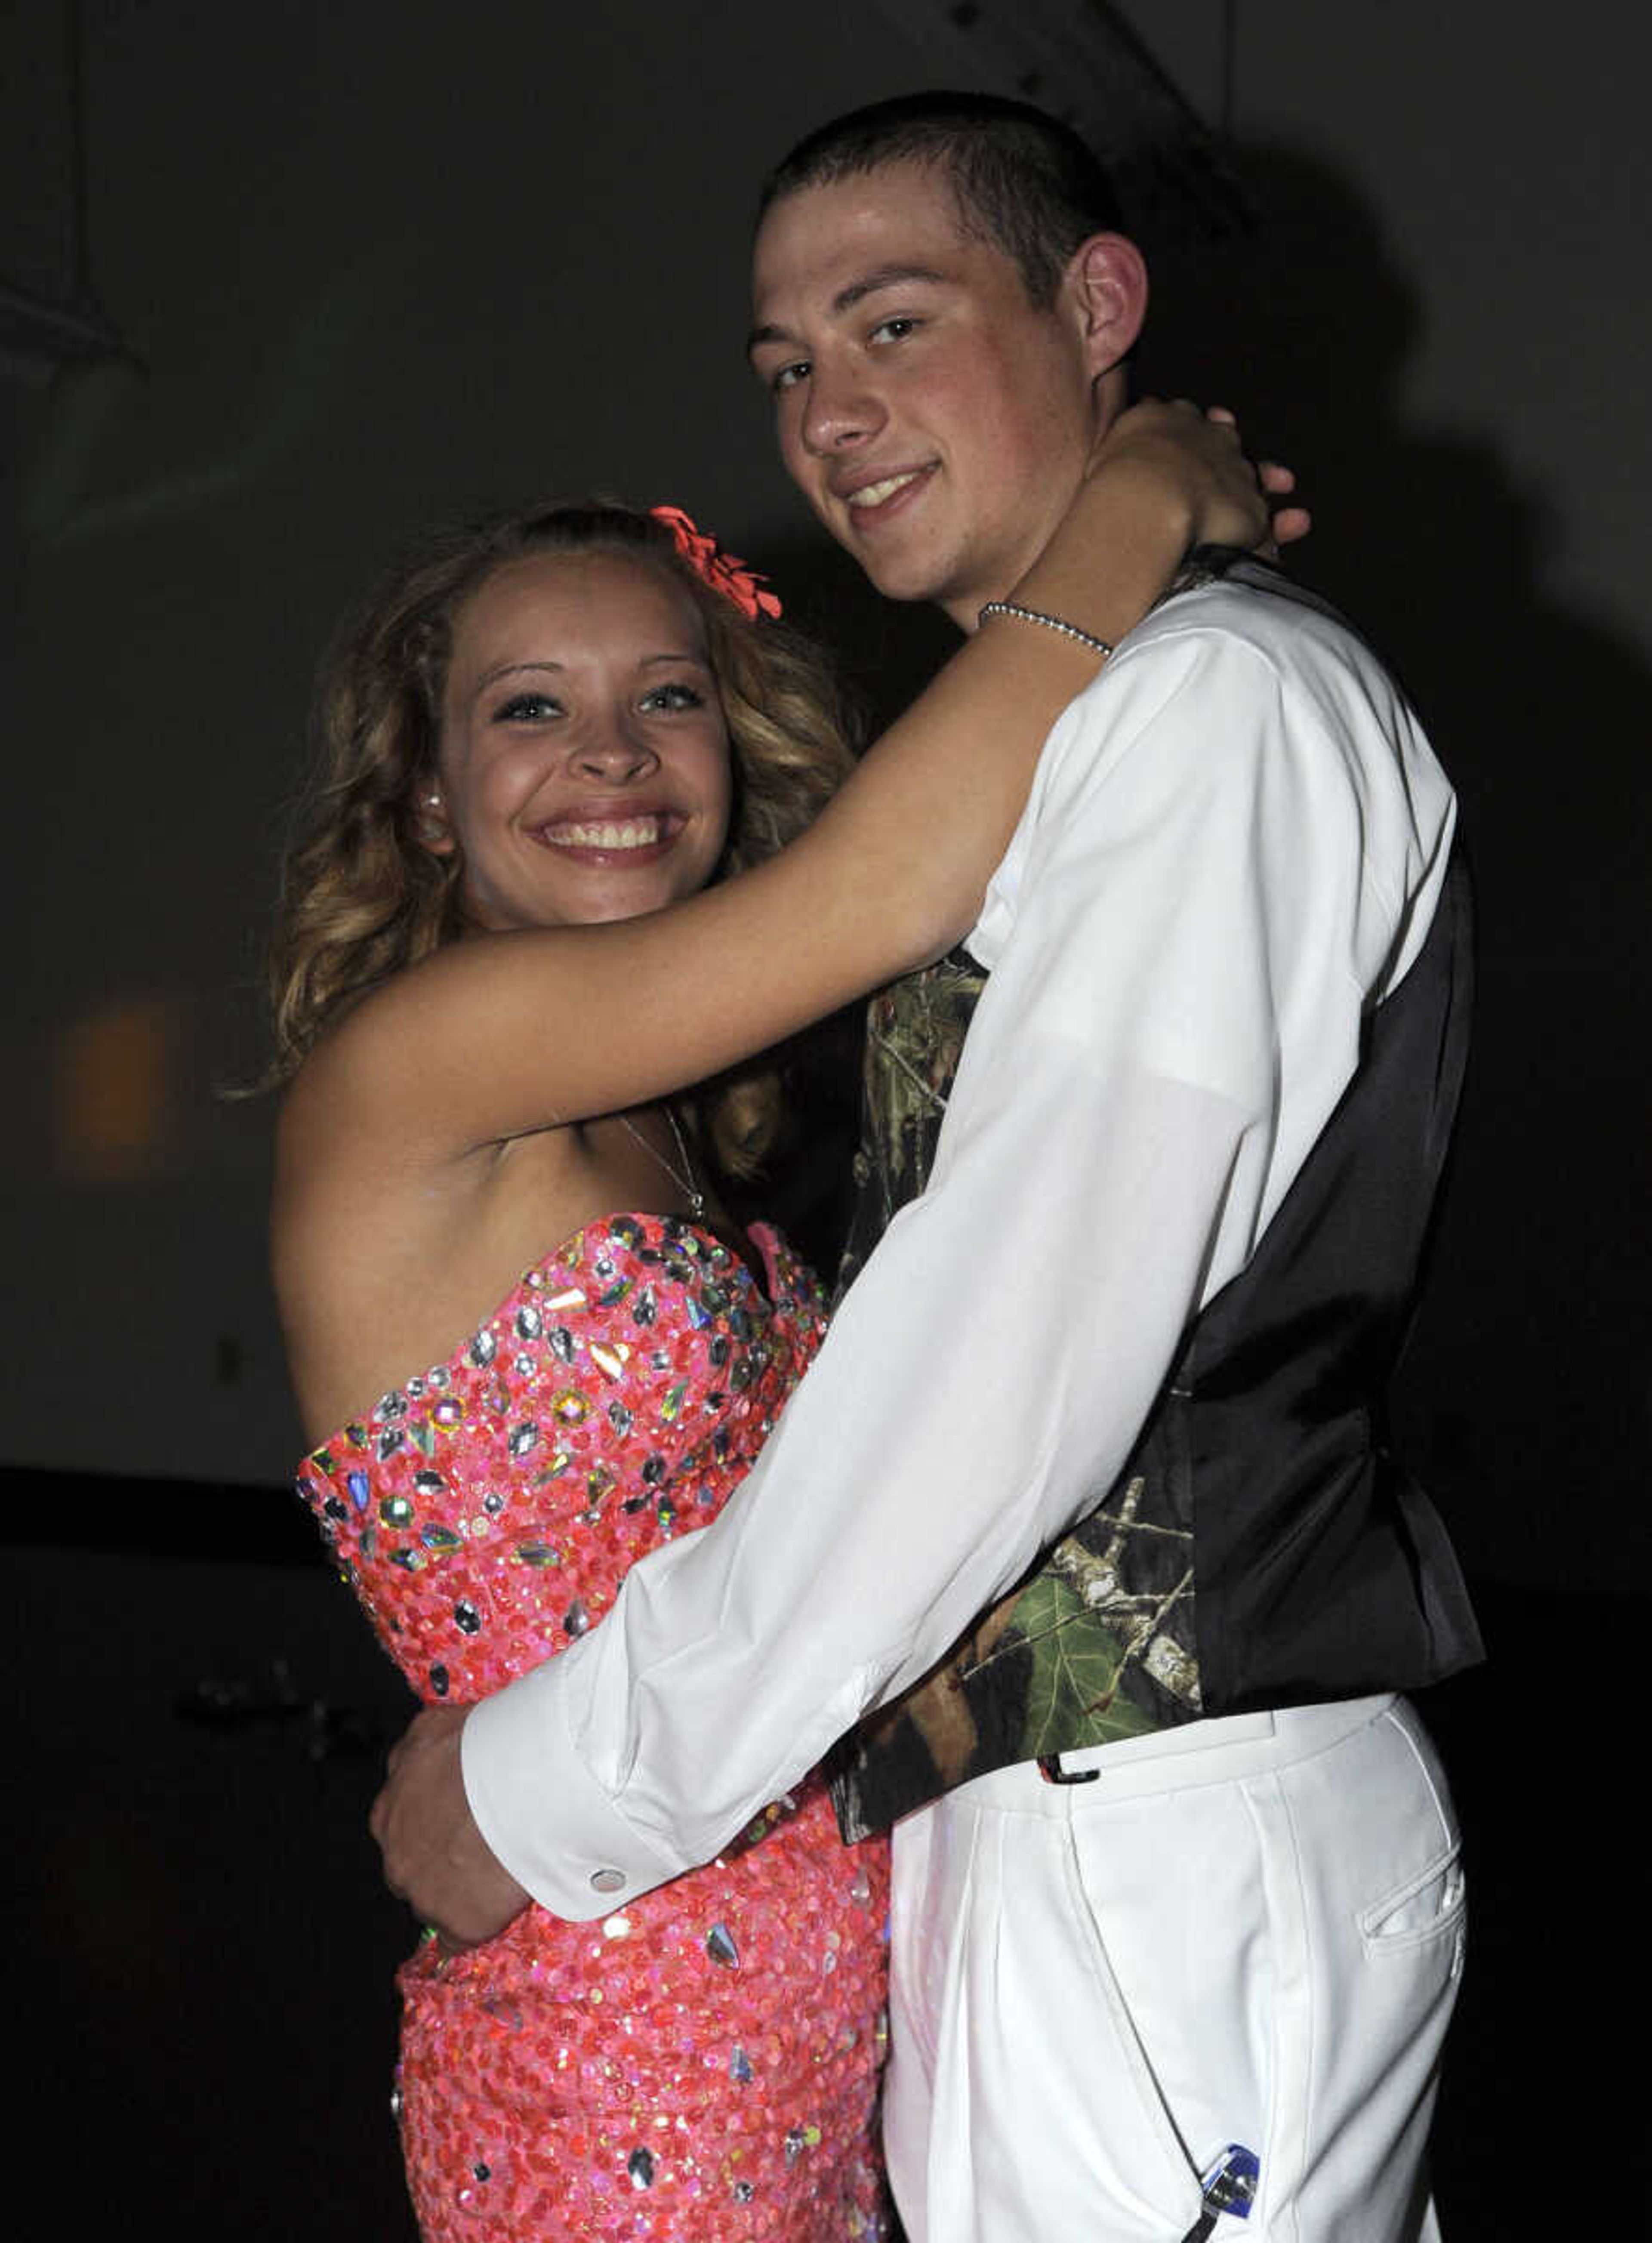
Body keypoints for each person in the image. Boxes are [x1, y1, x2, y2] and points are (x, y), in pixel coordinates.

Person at [374, 93, 1481, 2242]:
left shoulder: (1211, 708)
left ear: (1098, 307)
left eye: (892, 324)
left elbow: (1007, 1347)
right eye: (788, 365)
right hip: (1051, 1856)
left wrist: (559, 1780)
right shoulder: (1099, 721)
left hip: (1146, 1854)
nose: (828, 413)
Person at [275, 441, 1276, 2240]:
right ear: (429, 797)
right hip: (613, 2066)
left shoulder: (666, 1127)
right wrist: (1134, 500)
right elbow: (880, 893)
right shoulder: (415, 1063)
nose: (612, 755)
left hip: (815, 2037)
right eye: (529, 708)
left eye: (669, 695)